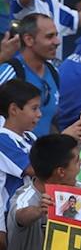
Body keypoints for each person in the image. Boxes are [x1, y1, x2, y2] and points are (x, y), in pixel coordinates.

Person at [0, 133, 79, 250]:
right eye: (77, 161)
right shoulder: (25, 197)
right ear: (61, 171)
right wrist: (38, 211)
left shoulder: (80, 193)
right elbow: (20, 216)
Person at [0, 13, 61, 135]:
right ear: (29, 40)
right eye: (49, 37)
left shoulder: (54, 73)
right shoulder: (11, 71)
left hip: (41, 152)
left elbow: (49, 121)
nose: (57, 41)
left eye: (56, 35)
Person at [0, 79, 40, 209]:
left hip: (29, 210)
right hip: (9, 217)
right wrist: (64, 139)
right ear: (14, 109)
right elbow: (35, 169)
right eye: (34, 108)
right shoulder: (3, 140)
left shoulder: (30, 137)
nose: (39, 114)